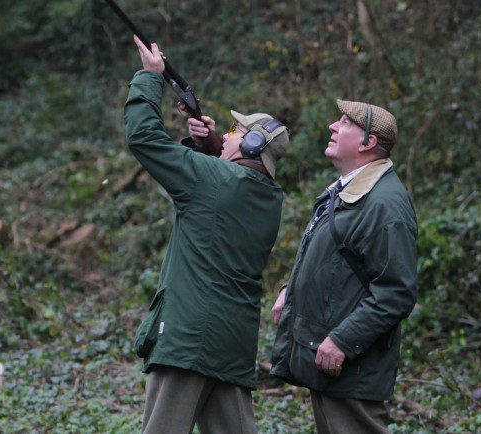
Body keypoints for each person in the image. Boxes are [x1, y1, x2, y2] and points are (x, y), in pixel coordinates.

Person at [123, 35, 288, 434]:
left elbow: (142, 137)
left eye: (235, 130)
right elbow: (227, 185)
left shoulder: (213, 179)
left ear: (251, 143)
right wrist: (210, 144)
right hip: (232, 344)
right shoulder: (270, 198)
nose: (228, 133)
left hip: (187, 341)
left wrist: (149, 78)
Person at [268, 99, 418, 434]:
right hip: (329, 365)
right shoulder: (349, 190)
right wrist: (288, 290)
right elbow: (332, 262)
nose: (334, 127)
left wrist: (342, 340)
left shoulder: (385, 205)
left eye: (346, 123)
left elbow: (397, 292)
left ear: (368, 143)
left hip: (353, 370)